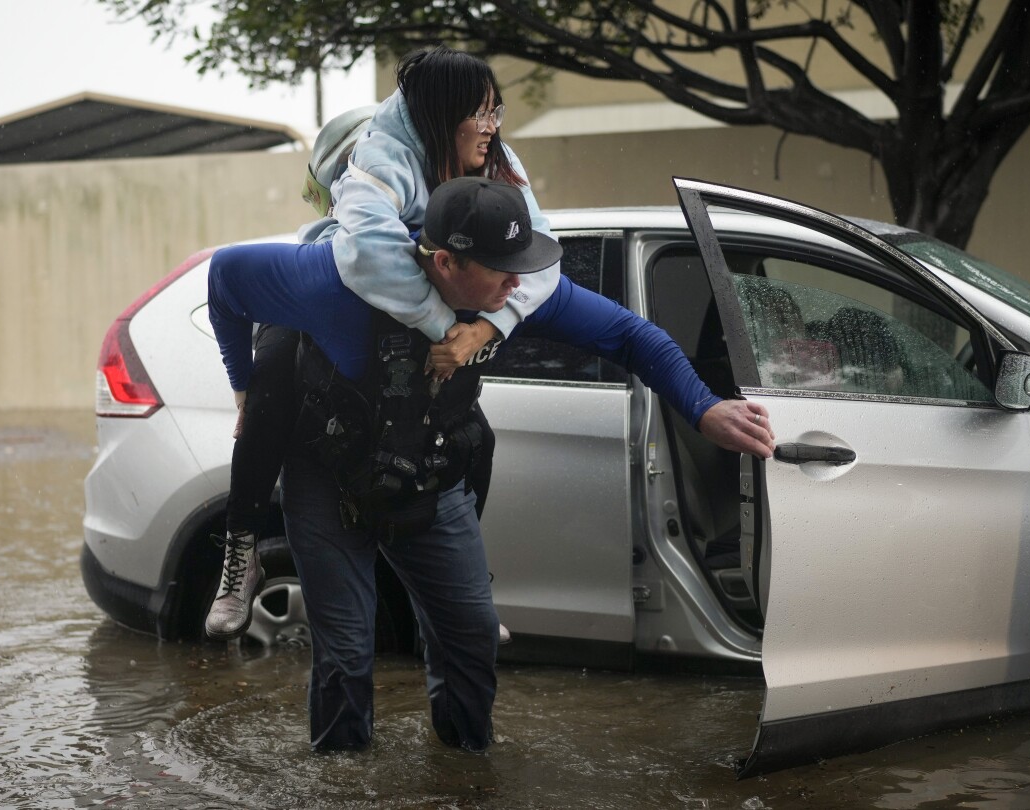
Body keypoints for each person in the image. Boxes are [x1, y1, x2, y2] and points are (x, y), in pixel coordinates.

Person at [206, 176, 777, 752]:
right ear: (447, 262)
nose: (518, 281)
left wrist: (703, 409)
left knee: (472, 639)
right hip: (326, 474)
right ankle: (343, 780)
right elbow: (225, 276)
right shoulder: (335, 279)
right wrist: (242, 389)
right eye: (503, 266)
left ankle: (464, 770)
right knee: (348, 652)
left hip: (429, 470)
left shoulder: (511, 293)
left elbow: (631, 336)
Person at [205, 46, 559, 642]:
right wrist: (441, 323)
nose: (494, 127)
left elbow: (544, 248)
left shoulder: (494, 155)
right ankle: (242, 549)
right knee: (268, 394)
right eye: (483, 114)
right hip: (337, 310)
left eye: (497, 112)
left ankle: (469, 584)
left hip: (427, 375)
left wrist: (486, 328)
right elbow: (363, 252)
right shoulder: (378, 160)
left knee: (477, 437)